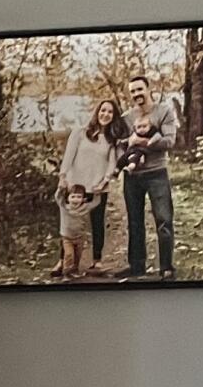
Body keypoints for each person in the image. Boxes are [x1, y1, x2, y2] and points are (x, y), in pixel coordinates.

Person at [54, 97, 118, 282]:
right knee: (68, 223)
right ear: (97, 112)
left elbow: (112, 164)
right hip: (76, 187)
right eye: (103, 110)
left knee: (97, 223)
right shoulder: (80, 132)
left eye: (110, 112)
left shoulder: (111, 139)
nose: (105, 114)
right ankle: (62, 261)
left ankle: (97, 260)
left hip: (97, 187)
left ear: (114, 116)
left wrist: (105, 181)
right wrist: (63, 176)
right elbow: (69, 156)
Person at [119, 92, 178, 280]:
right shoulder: (126, 118)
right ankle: (136, 267)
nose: (136, 94)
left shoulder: (164, 112)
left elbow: (169, 141)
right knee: (134, 221)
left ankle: (166, 267)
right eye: (133, 91)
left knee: (164, 219)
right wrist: (128, 146)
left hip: (157, 173)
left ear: (147, 89)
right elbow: (119, 144)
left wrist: (141, 142)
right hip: (133, 176)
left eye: (139, 89)